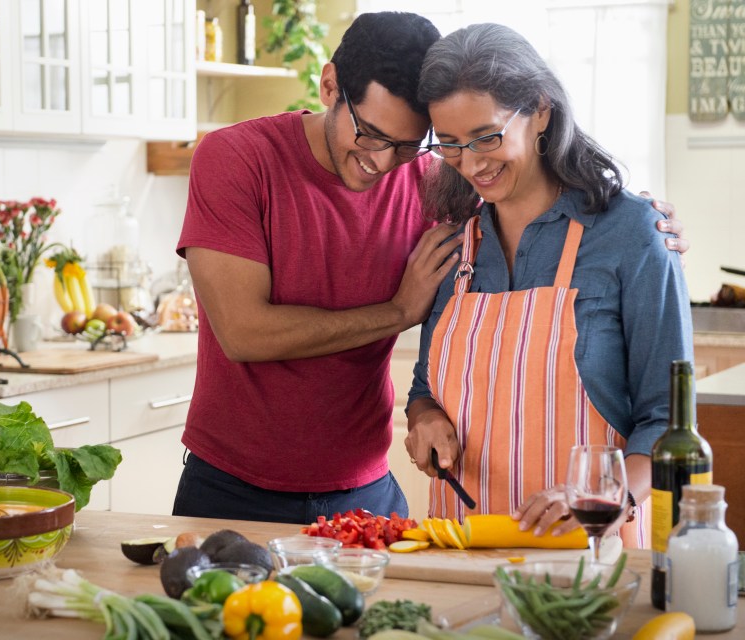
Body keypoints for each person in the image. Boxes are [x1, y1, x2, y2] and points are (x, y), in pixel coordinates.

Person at [175, 12, 687, 525]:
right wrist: (402, 323)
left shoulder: (442, 194)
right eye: (372, 134)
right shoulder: (243, 159)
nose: (382, 160)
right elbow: (247, 334)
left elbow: (666, 420)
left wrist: (638, 221)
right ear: (330, 86)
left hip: (382, 494)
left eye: (408, 144)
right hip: (236, 487)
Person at [405, 22, 694, 547]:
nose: (470, 163)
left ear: (540, 109)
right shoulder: (452, 250)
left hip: (592, 553)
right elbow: (425, 389)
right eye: (449, 144)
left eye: (487, 137)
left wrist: (604, 498)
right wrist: (423, 419)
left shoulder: (633, 235)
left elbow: (667, 418)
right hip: (461, 552)